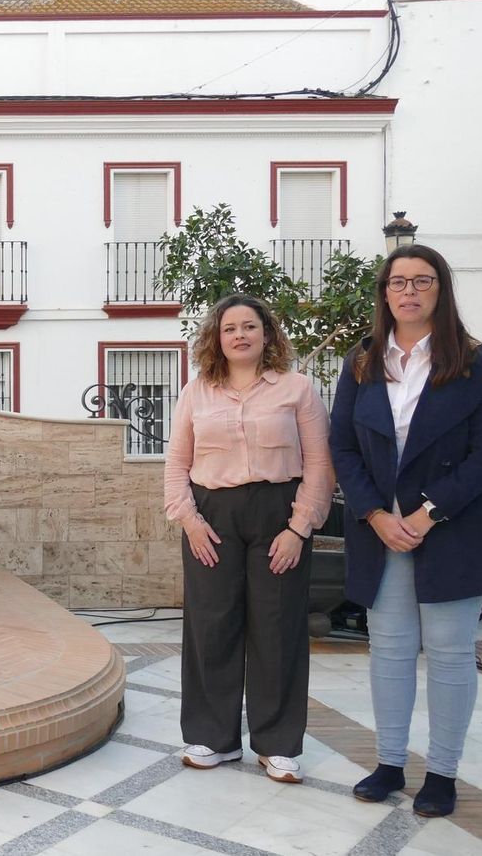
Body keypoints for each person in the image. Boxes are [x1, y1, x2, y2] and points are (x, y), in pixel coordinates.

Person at [329, 245, 482, 818]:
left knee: (452, 653)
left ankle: (443, 772)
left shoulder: (476, 363)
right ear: (384, 291)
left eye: (423, 281)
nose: (409, 291)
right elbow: (343, 445)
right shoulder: (361, 361)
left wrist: (427, 513)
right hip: (382, 530)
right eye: (398, 281)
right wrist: (377, 515)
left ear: (441, 289)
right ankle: (388, 763)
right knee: (388, 650)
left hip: (451, 527)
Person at [163, 293, 333, 784]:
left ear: (266, 334)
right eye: (230, 328)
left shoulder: (297, 389)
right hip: (211, 515)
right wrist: (189, 520)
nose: (240, 335)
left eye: (249, 326)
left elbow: (320, 463)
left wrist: (300, 527)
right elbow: (177, 462)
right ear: (217, 338)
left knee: (277, 628)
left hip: (278, 514)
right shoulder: (196, 392)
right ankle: (212, 738)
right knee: (210, 625)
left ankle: (277, 743)